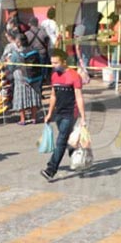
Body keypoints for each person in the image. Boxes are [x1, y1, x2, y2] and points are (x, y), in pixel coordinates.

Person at [41, 50, 87, 181]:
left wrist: (83, 117)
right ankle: (78, 156)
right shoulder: (54, 75)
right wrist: (49, 113)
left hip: (70, 113)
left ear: (64, 61)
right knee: (67, 139)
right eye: (52, 63)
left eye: (56, 62)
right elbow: (53, 95)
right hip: (59, 113)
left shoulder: (74, 76)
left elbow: (79, 97)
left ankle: (51, 170)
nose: (53, 65)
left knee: (60, 141)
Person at [10, 33, 42, 125]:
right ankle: (34, 118)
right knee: (33, 96)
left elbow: (10, 67)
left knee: (21, 97)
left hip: (20, 77)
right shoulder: (34, 51)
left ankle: (23, 119)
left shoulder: (16, 53)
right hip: (34, 76)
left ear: (19, 42)